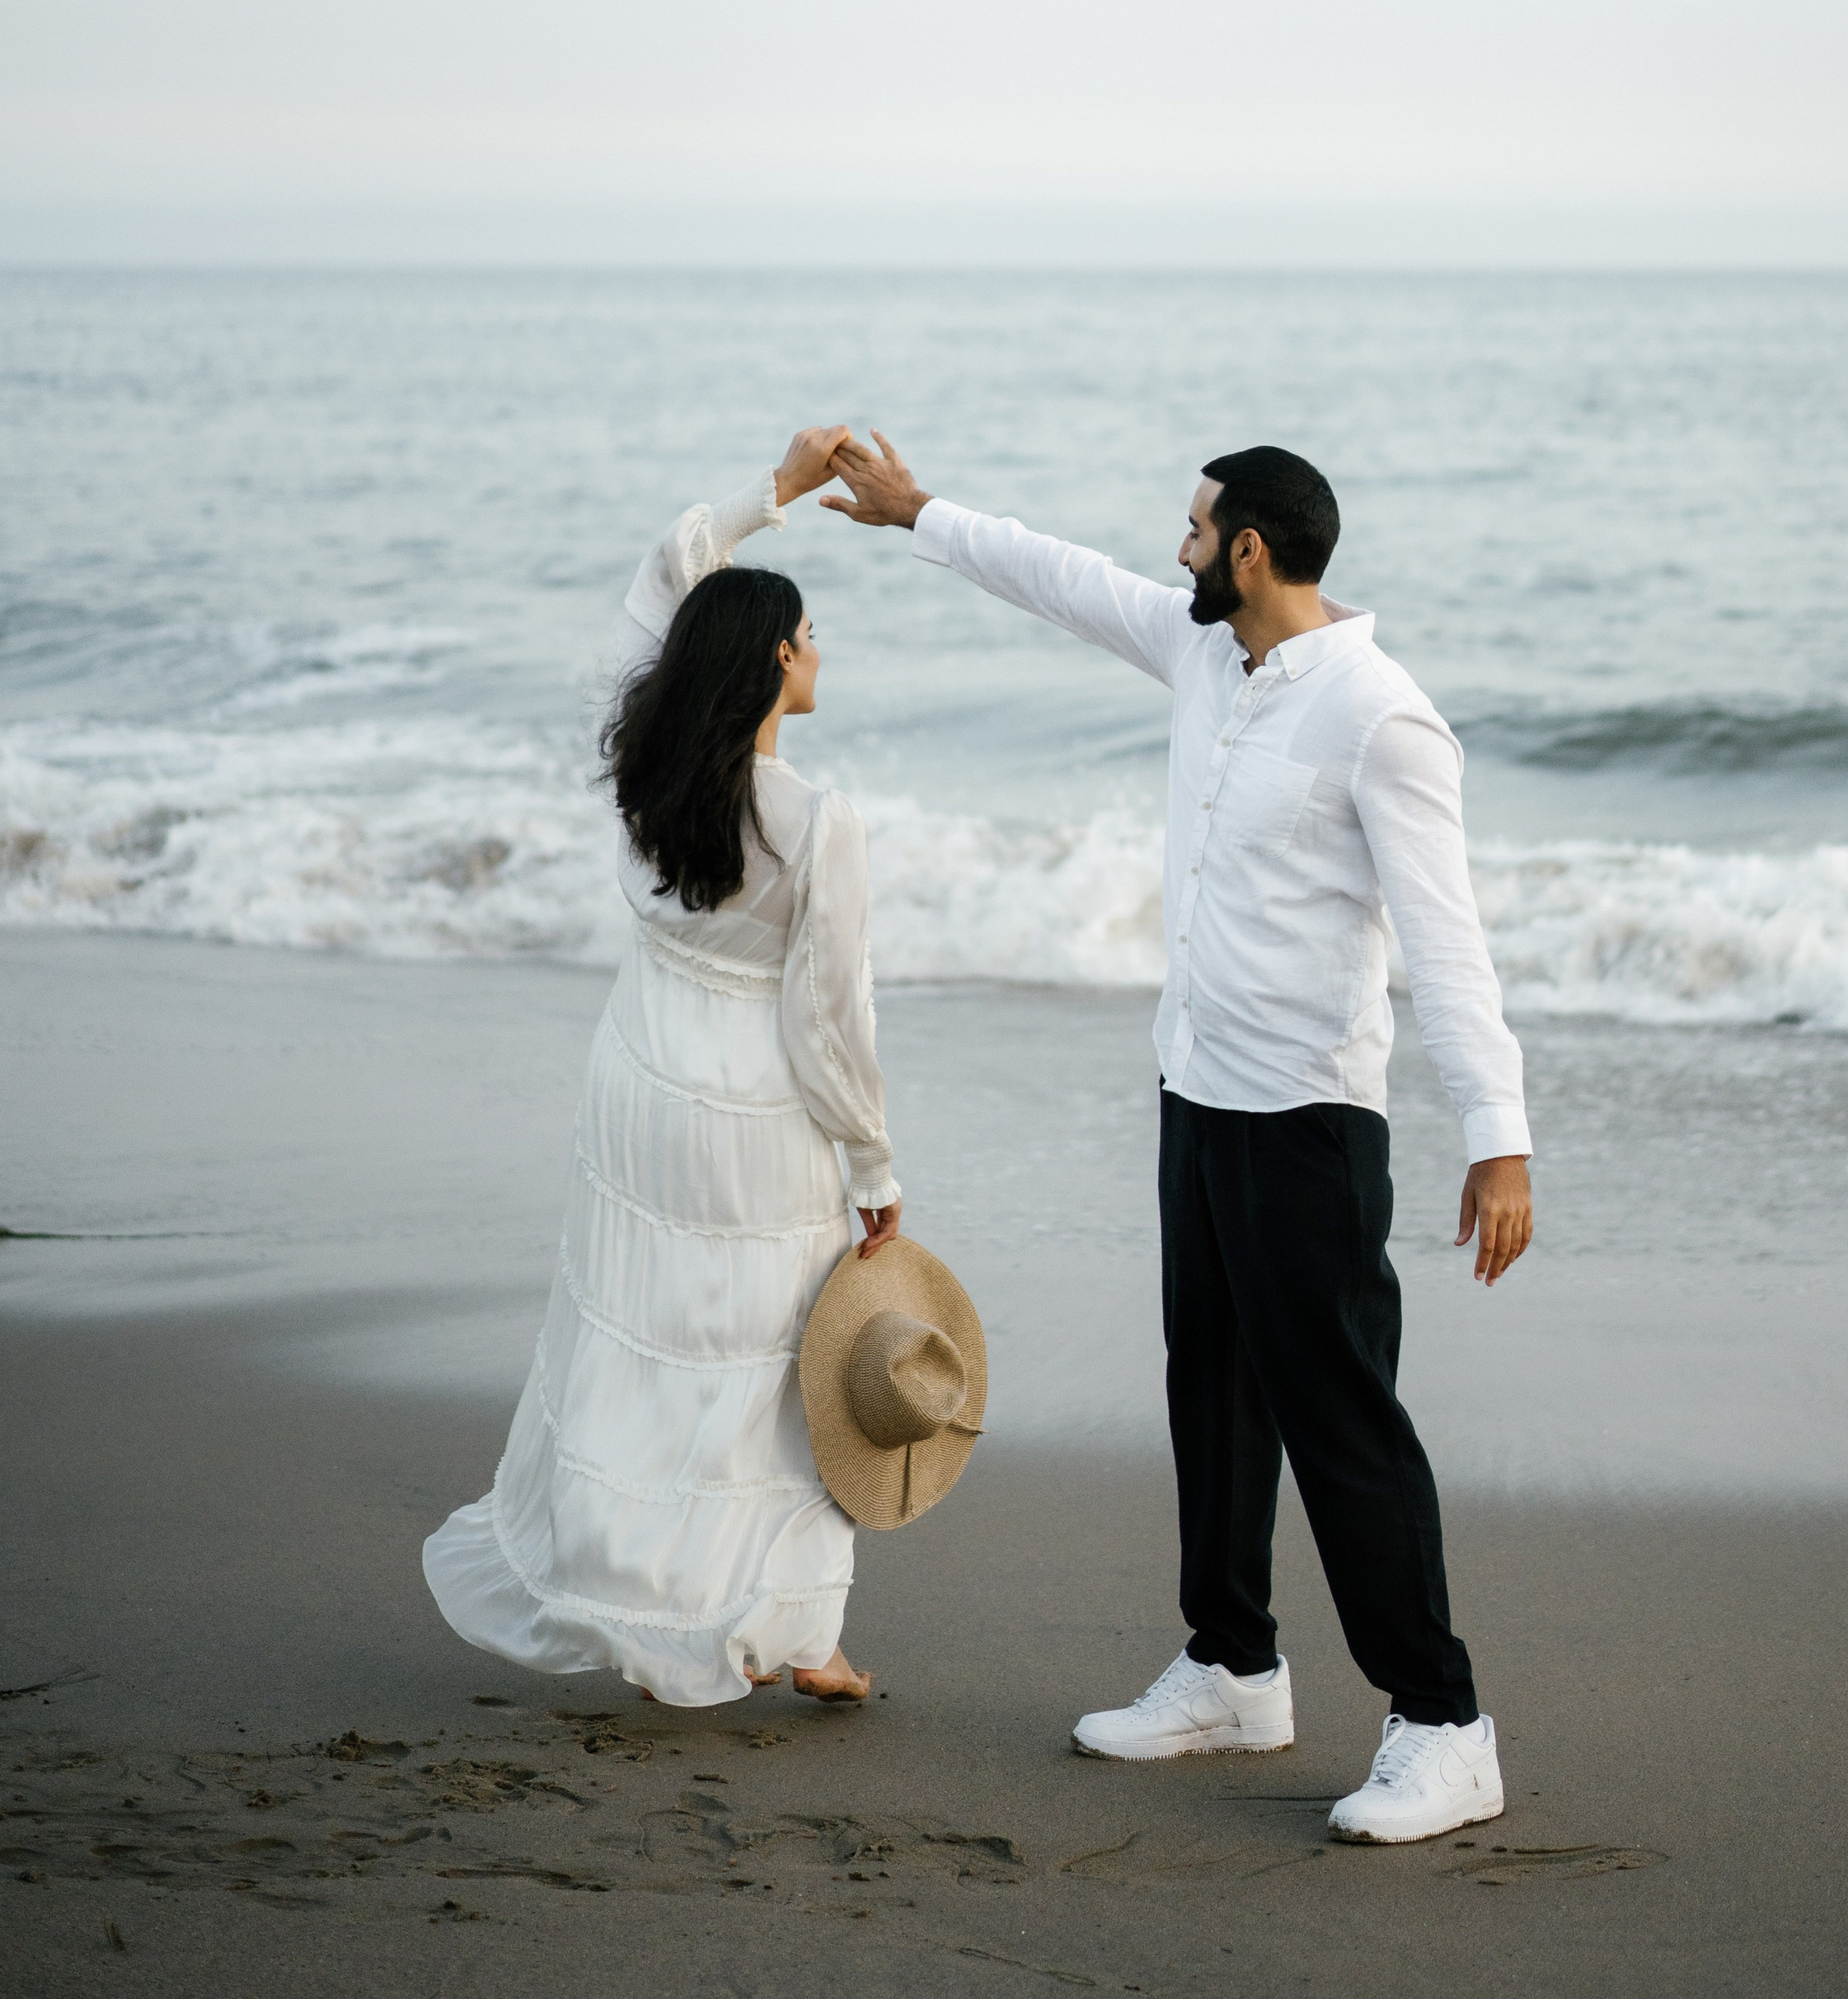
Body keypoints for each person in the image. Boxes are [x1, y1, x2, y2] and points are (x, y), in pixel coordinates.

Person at [823, 432, 1532, 1844]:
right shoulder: (1211, 655)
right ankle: (1231, 1668)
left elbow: (1449, 945)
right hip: (1196, 1093)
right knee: (1210, 1393)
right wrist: (920, 517)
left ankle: (1447, 1725)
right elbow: (1065, 580)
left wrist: (1497, 1137)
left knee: (1343, 1425)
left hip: (1310, 1122)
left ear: (1252, 552)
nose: (1182, 549)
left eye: (1199, 530)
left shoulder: (1383, 718)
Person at [423, 426, 901, 1709]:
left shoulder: (644, 766)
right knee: (784, 1365)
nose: (816, 651)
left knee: (642, 1346)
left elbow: (668, 568)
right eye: (803, 636)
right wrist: (872, 1160)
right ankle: (803, 1631)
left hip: (640, 1079)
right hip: (755, 1111)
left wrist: (779, 489)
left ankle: (645, 1607)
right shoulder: (814, 823)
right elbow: (829, 1020)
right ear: (771, 664)